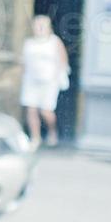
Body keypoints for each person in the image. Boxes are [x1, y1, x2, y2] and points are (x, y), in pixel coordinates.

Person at [19, 13, 69, 147]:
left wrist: (57, 76)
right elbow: (24, 62)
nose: (39, 28)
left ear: (48, 27)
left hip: (49, 81)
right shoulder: (29, 43)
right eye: (37, 25)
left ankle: (53, 132)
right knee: (31, 109)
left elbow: (63, 61)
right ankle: (36, 138)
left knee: (46, 111)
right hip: (31, 80)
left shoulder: (54, 41)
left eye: (42, 26)